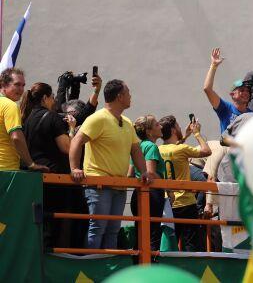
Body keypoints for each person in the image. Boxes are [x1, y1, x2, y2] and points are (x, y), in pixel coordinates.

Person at [69, 79, 156, 249]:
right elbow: (76, 142)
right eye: (128, 92)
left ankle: (107, 265)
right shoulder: (98, 118)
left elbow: (136, 150)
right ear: (119, 96)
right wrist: (74, 168)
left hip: (119, 186)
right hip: (99, 185)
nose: (131, 96)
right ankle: (92, 266)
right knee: (98, 228)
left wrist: (144, 171)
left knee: (113, 230)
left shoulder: (127, 122)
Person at [20, 82, 77, 247]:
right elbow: (67, 148)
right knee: (53, 224)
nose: (54, 101)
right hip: (54, 178)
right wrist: (72, 129)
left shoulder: (28, 118)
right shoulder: (51, 117)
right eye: (52, 97)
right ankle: (51, 259)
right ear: (45, 98)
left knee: (38, 221)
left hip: (34, 178)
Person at [159, 115, 212, 251]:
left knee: (170, 244)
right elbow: (207, 151)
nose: (180, 127)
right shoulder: (181, 149)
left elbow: (173, 149)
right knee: (191, 245)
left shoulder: (159, 150)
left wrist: (185, 135)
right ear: (172, 130)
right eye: (177, 126)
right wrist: (197, 133)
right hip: (186, 203)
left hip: (167, 204)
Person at [128, 115, 167, 253]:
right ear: (149, 131)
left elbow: (130, 174)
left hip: (137, 194)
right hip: (152, 195)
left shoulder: (138, 146)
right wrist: (166, 182)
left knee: (140, 236)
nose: (160, 126)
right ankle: (150, 269)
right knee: (152, 235)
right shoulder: (151, 146)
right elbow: (150, 174)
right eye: (157, 125)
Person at [0, 68, 48, 172]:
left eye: (23, 85)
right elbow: (16, 137)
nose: (21, 89)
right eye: (17, 84)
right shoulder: (10, 106)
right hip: (6, 169)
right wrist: (31, 164)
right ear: (3, 85)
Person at [203, 48, 251, 133]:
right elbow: (207, 89)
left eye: (247, 91)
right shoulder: (225, 108)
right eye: (242, 90)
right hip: (228, 146)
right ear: (232, 94)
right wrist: (213, 65)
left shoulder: (252, 114)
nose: (246, 93)